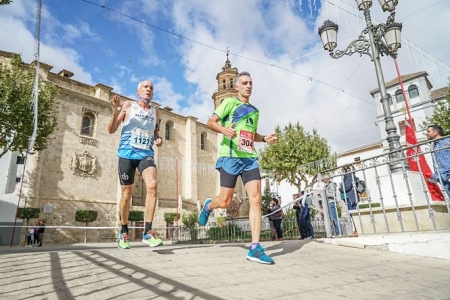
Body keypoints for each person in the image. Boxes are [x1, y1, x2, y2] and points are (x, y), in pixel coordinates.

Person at [198, 71, 277, 264]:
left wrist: (265, 138)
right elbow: (210, 122)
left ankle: (255, 248)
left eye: (250, 83)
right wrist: (224, 129)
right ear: (237, 86)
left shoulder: (255, 111)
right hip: (230, 157)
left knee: (255, 199)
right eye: (244, 83)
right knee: (225, 201)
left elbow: (251, 134)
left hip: (249, 158)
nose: (248, 86)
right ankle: (209, 205)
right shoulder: (229, 103)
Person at [108, 80, 164, 250]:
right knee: (127, 194)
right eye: (145, 87)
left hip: (145, 154)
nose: (148, 89)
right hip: (126, 154)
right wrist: (115, 111)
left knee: (152, 185)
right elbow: (111, 129)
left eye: (151, 88)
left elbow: (155, 131)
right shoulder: (128, 105)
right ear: (138, 91)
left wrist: (157, 139)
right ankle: (123, 231)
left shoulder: (156, 112)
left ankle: (148, 232)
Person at [426, 124, 450, 199]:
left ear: (435, 132)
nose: (427, 133)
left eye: (428, 131)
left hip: (447, 173)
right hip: (441, 175)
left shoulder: (447, 141)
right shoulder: (434, 145)